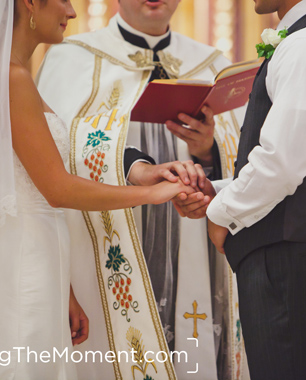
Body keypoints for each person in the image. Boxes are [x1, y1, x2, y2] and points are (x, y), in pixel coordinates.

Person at [0, 0, 198, 378]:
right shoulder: (9, 78)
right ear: (31, 4)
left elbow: (25, 183)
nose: (71, 11)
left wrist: (64, 289)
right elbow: (56, 189)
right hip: (21, 268)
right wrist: (150, 195)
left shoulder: (15, 76)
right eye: (63, 0)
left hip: (41, 261)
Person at [36, 1, 246, 378]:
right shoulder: (73, 59)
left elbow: (248, 159)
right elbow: (54, 151)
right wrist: (133, 166)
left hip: (194, 242)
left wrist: (207, 150)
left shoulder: (211, 63)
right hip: (106, 240)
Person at [177, 0, 306, 378]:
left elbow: (283, 162)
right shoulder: (305, 40)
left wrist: (221, 213)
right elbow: (297, 167)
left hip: (294, 265)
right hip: (292, 259)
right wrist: (219, 191)